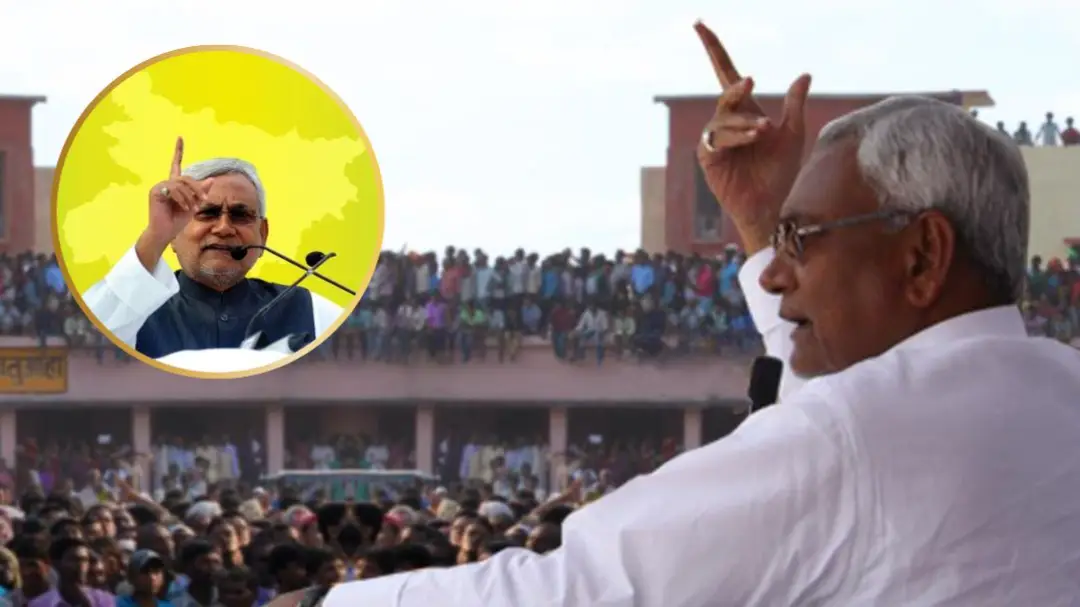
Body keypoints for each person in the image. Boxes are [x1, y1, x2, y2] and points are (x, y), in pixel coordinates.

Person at [261, 21, 1080, 607]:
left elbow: (578, 589)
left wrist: (329, 602)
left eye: (802, 239)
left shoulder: (853, 439)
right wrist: (760, 224)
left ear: (923, 255)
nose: (776, 275)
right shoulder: (1057, 394)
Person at [81, 137, 344, 372]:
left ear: (262, 234)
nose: (224, 228)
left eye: (240, 215)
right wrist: (154, 236)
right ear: (173, 235)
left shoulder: (310, 310)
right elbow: (87, 346)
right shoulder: (135, 310)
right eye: (207, 213)